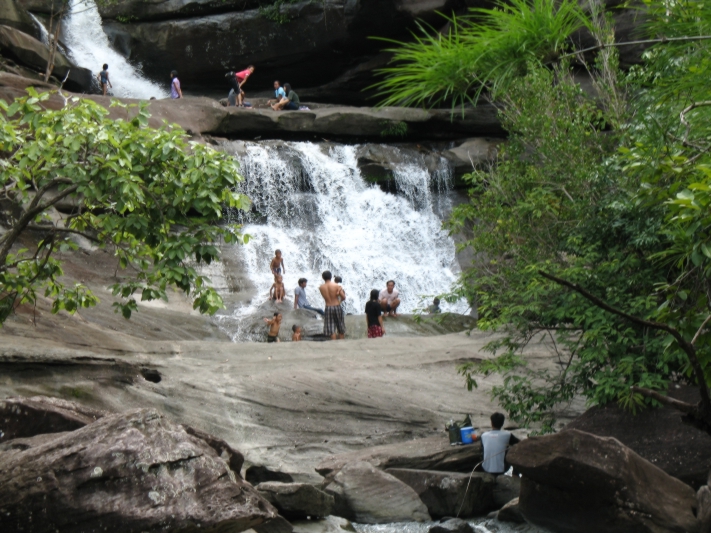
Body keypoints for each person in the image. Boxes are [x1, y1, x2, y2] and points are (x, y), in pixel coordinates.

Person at [319, 270, 346, 340]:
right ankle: (341, 344)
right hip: (336, 306)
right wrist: (339, 301)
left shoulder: (321, 288)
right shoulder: (336, 286)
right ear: (331, 277)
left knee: (331, 329)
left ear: (323, 278)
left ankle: (334, 345)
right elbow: (343, 297)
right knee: (340, 327)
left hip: (328, 307)